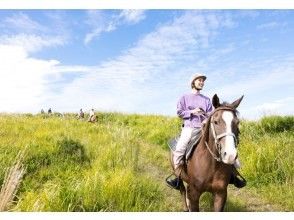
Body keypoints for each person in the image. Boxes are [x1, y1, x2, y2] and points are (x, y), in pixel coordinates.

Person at [166, 73, 246, 190]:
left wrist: (206, 120)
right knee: (180, 149)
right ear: (193, 83)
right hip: (189, 127)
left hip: (204, 127)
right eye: (199, 80)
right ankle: (177, 177)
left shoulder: (206, 99)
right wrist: (192, 112)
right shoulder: (185, 97)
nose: (202, 82)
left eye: (203, 81)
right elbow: (179, 112)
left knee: (224, 144)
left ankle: (233, 174)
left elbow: (211, 114)